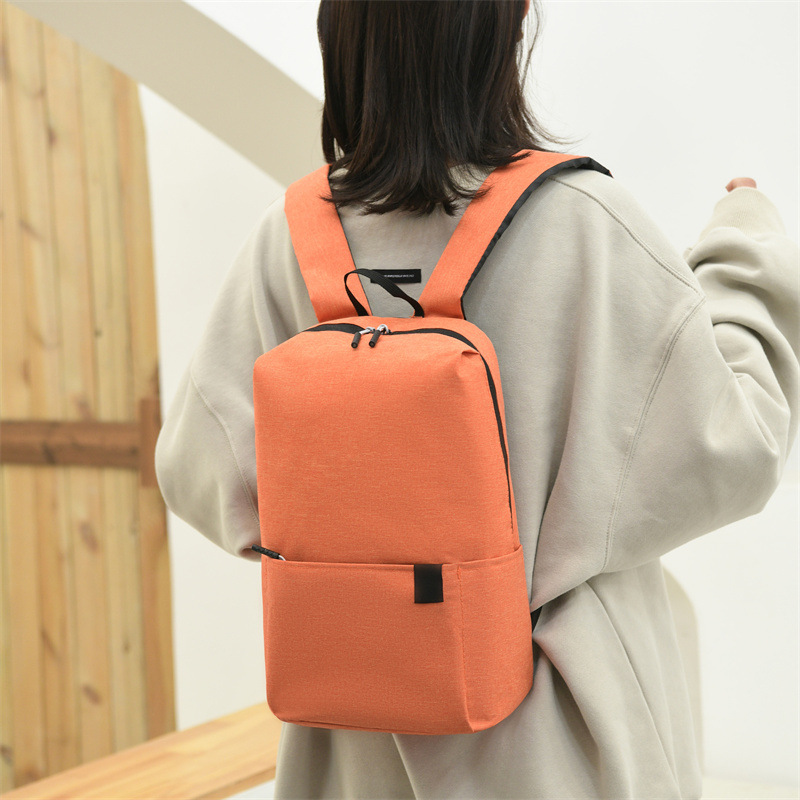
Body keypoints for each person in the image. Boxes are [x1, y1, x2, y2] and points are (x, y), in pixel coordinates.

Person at [154, 1, 799, 797]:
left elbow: (196, 467)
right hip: (553, 749)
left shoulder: (286, 239)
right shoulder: (582, 221)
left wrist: (357, 552)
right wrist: (745, 252)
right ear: (505, 24)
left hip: (356, 743)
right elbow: (734, 446)